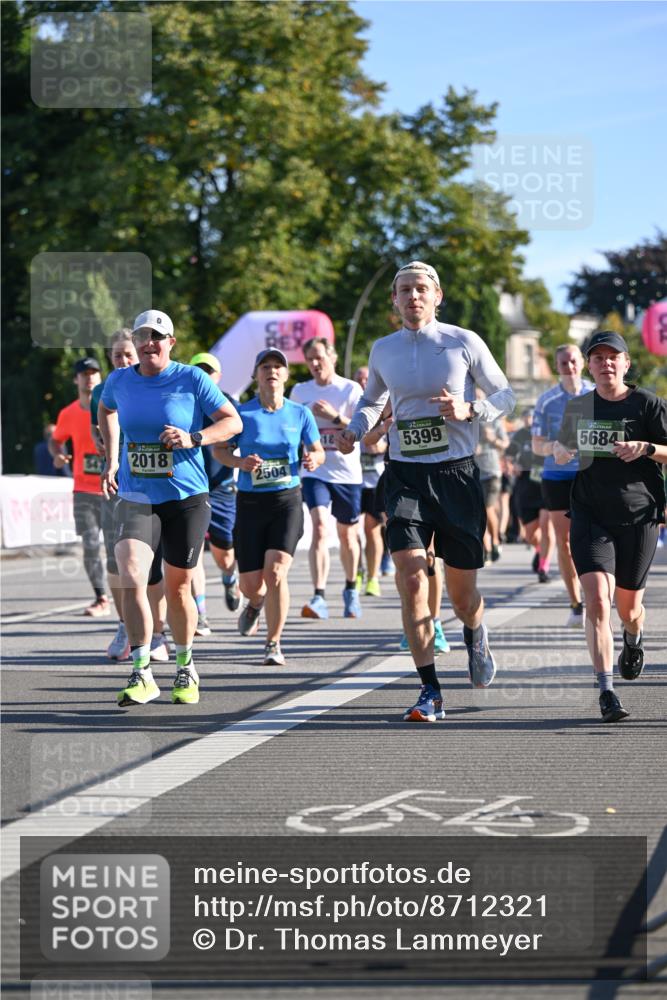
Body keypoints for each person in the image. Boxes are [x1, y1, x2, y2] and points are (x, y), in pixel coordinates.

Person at [339, 260, 515, 722]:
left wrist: (469, 408)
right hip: (404, 476)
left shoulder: (463, 341)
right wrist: (355, 431)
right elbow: (372, 400)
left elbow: (505, 396)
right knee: (412, 579)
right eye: (404, 290)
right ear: (394, 300)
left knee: (461, 597)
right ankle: (430, 690)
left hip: (456, 475)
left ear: (437, 296)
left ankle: (475, 632)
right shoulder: (383, 349)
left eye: (421, 289)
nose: (413, 296)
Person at [97, 309, 242, 707]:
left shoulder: (191, 378)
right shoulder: (119, 381)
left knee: (178, 588)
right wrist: (112, 459)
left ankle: (185, 665)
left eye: (157, 337)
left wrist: (194, 437)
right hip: (136, 496)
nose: (149, 344)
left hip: (186, 498)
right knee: (131, 574)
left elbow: (232, 422)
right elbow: (106, 410)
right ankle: (142, 670)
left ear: (171, 343)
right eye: (143, 336)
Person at [554, 331, 667, 723]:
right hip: (589, 513)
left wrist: (647, 448)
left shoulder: (648, 404)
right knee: (597, 601)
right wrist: (562, 449)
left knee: (628, 607)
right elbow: (562, 446)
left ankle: (633, 638)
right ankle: (606, 689)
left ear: (626, 363)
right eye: (598, 358)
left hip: (639, 514)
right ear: (590, 366)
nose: (605, 364)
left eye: (612, 357)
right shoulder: (578, 406)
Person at [214, 349, 324, 665]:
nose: (272, 372)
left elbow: (318, 451)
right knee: (252, 584)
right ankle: (255, 603)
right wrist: (239, 462)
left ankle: (273, 643)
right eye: (266, 367)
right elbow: (221, 450)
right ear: (256, 375)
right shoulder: (242, 415)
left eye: (278, 367)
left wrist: (313, 459)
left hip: (286, 500)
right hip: (249, 502)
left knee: (276, 571)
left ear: (287, 376)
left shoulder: (300, 414)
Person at [90, 329, 169, 663]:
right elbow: (101, 428)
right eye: (117, 356)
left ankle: (160, 634)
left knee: (158, 570)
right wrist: (110, 457)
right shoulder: (108, 388)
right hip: (125, 485)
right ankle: (126, 625)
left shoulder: (160, 382)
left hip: (164, 487)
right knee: (122, 562)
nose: (123, 361)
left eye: (127, 355)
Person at [290, 337, 363, 619]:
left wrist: (335, 418)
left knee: (347, 535)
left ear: (332, 357)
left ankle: (350, 589)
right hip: (315, 470)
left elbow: (364, 430)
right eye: (310, 359)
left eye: (320, 357)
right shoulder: (299, 391)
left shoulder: (350, 389)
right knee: (319, 528)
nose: (315, 363)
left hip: (346, 472)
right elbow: (290, 427)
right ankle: (319, 595)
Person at [532, 345, 594, 625]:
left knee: (596, 539)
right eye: (563, 362)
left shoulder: (596, 393)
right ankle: (576, 603)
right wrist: (554, 447)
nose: (569, 366)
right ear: (557, 366)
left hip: (591, 475)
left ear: (582, 363)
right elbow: (536, 445)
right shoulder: (547, 401)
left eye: (573, 361)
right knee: (566, 542)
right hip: (557, 477)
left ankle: (598, 595)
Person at [50, 357, 110, 617]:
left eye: (94, 373)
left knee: (119, 544)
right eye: (84, 374)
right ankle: (101, 597)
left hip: (113, 487)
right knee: (90, 545)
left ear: (100, 377)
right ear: (76, 379)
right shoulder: (69, 413)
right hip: (83, 490)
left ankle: (129, 593)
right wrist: (58, 453)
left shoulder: (111, 407)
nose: (89, 378)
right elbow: (56, 439)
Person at [188, 352, 241, 636]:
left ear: (218, 377)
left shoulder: (229, 404)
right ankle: (200, 614)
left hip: (221, 488)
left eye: (209, 371)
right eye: (198, 370)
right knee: (191, 553)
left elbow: (246, 434)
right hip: (189, 487)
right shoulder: (182, 400)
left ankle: (229, 576)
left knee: (224, 554)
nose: (203, 375)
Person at [506, 407, 555, 582]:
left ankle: (543, 567)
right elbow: (509, 455)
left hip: (547, 484)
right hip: (526, 485)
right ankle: (539, 549)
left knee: (547, 528)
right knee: (530, 535)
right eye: (528, 417)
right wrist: (513, 465)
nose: (531, 421)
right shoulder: (521, 434)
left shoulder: (551, 433)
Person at [475, 413, 508, 562]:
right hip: (473, 472)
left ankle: (495, 541)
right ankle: (486, 547)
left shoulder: (494, 422)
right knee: (478, 512)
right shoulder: (468, 421)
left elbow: (505, 443)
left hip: (492, 472)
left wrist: (492, 439)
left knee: (487, 509)